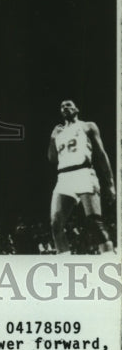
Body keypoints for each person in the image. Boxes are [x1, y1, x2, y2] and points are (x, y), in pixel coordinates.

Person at [48, 99, 115, 254]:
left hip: (83, 173)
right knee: (56, 224)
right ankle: (65, 265)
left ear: (76, 109)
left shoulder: (87, 126)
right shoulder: (59, 132)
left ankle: (109, 259)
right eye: (62, 106)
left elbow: (101, 154)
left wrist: (110, 183)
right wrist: (52, 138)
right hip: (64, 177)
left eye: (68, 105)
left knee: (94, 223)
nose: (65, 107)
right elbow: (52, 158)